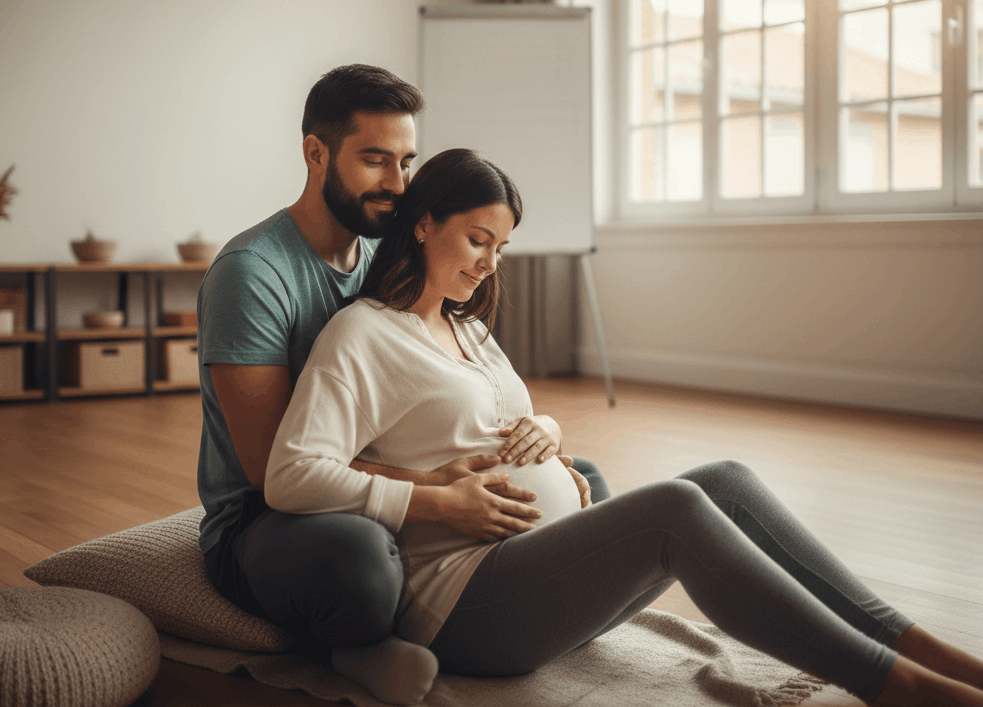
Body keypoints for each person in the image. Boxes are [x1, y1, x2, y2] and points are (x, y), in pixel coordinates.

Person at [265, 148, 983, 707]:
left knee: (726, 480)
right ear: (424, 224)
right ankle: (897, 686)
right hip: (469, 606)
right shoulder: (363, 334)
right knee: (674, 510)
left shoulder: (467, 329)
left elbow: (496, 419)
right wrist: (437, 500)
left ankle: (917, 646)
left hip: (544, 576)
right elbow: (292, 473)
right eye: (478, 240)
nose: (489, 264)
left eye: (501, 248)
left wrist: (547, 431)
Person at [195, 65, 610, 705]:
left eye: (406, 161)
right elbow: (270, 468)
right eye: (374, 160)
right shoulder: (252, 274)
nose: (397, 184)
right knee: (359, 556)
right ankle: (347, 649)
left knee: (587, 479)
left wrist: (538, 447)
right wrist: (433, 487)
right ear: (315, 153)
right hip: (266, 518)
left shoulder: (380, 254)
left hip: (363, 477)